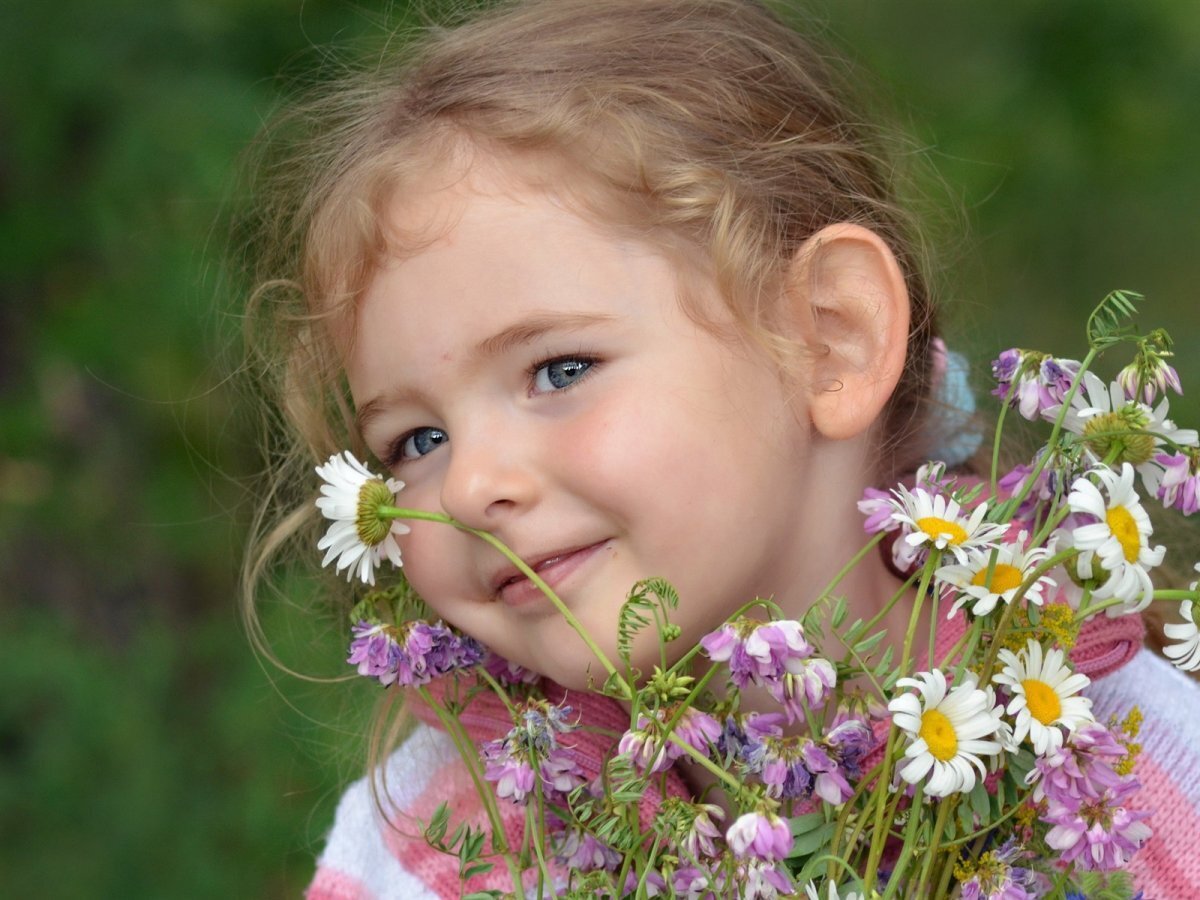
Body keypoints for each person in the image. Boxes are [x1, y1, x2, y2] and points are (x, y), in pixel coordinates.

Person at [241, 1, 1200, 896]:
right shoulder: (446, 836)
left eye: (560, 370)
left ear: (829, 339)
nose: (470, 486)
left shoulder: (1126, 778)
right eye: (417, 439)